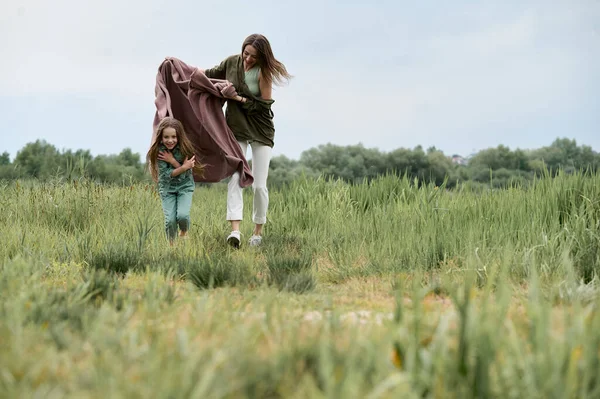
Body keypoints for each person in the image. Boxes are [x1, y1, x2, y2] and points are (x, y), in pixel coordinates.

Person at [203, 33, 292, 248]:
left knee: (259, 185)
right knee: (236, 177)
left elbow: (264, 106)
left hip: (261, 129)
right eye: (246, 53)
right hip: (237, 127)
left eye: (253, 56)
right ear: (242, 49)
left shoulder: (264, 73)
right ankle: (235, 232)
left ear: (261, 57)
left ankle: (257, 233)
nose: (248, 59)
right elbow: (209, 74)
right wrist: (184, 70)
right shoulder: (232, 62)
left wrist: (237, 98)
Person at [146, 117, 204, 245]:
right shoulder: (160, 152)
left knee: (182, 216)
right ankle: (171, 246)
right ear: (161, 137)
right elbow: (167, 175)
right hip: (167, 189)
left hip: (184, 187)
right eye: (166, 137)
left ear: (179, 136)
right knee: (170, 220)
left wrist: (173, 162)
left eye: (173, 137)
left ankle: (183, 231)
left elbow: (185, 173)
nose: (170, 140)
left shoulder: (185, 149)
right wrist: (183, 167)